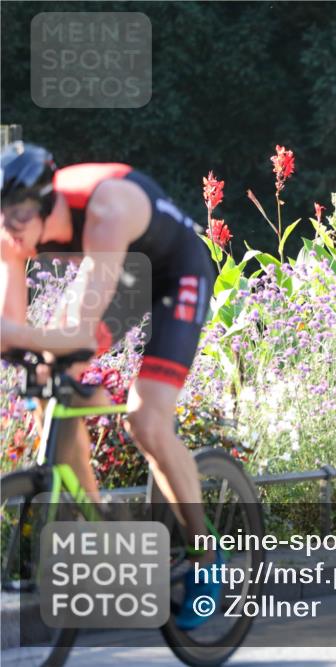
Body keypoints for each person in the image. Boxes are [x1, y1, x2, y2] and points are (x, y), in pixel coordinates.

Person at [0, 141, 221, 629]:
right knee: (47, 382)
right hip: (120, 276)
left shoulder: (106, 207)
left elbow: (76, 332)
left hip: (174, 272)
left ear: (45, 205)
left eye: (16, 219)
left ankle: (206, 555)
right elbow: (11, 326)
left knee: (147, 420)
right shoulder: (12, 229)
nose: (8, 233)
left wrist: (14, 334)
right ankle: (101, 533)